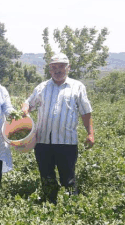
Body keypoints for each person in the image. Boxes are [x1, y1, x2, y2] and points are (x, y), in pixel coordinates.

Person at [21, 53, 95, 203]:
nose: (57, 70)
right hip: (43, 142)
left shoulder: (77, 87)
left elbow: (85, 112)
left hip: (66, 142)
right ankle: (50, 205)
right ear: (49, 70)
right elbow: (28, 103)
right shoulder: (42, 88)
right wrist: (24, 108)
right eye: (54, 67)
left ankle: (70, 208)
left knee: (68, 177)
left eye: (61, 66)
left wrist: (90, 133)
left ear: (68, 68)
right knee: (46, 176)